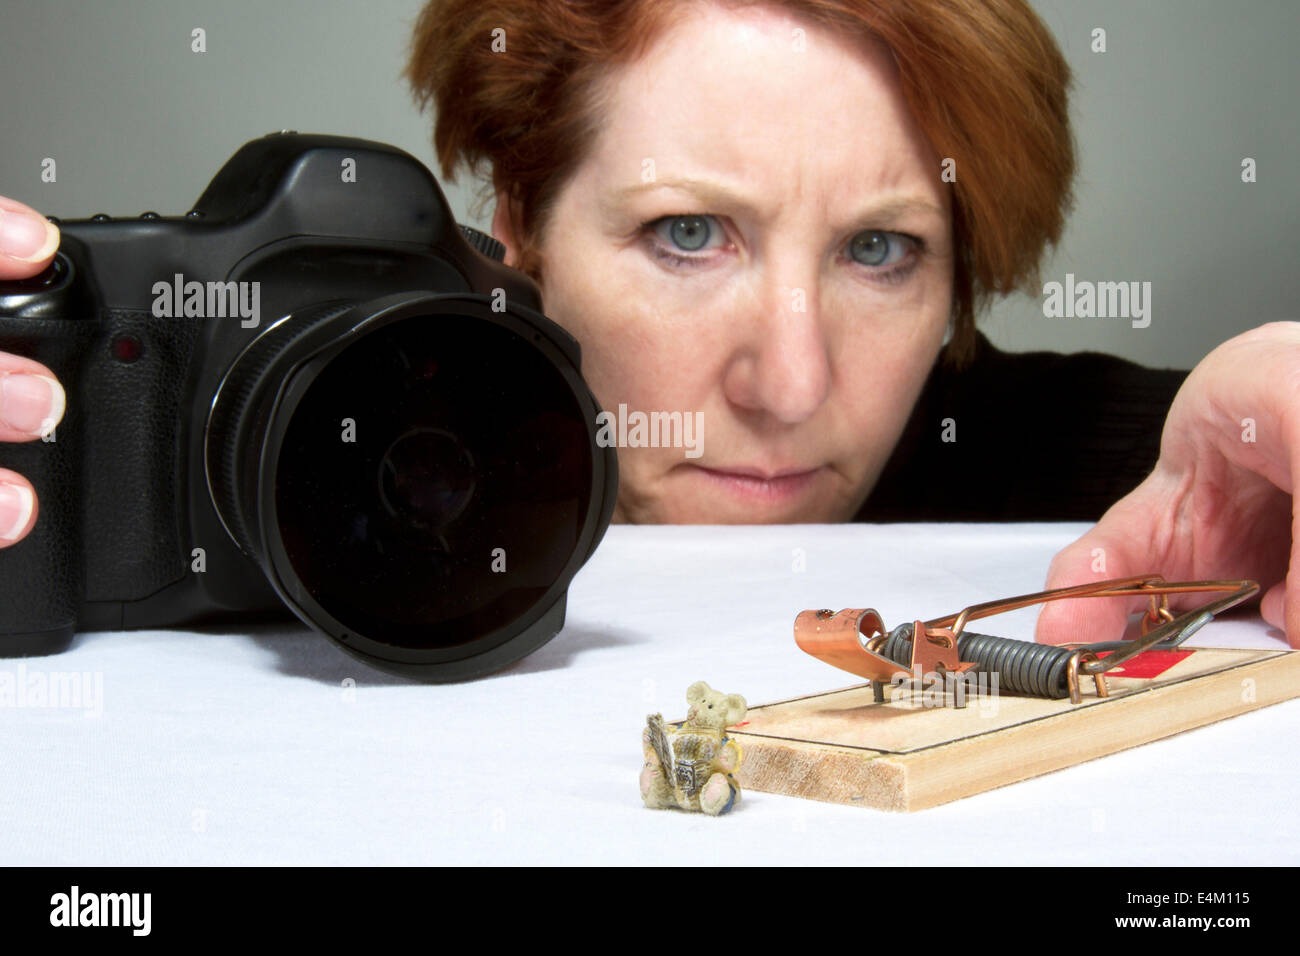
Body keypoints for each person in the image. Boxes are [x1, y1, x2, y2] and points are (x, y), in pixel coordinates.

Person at [1, 0, 1296, 649]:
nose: (790, 385)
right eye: (690, 234)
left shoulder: (1090, 481)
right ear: (519, 220)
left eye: (882, 250)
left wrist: (1251, 399)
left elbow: (1190, 453)